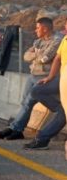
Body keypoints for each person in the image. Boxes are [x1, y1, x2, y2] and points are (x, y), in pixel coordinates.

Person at [0, 17, 62, 142]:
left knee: (29, 101)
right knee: (25, 103)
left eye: (38, 28)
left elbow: (45, 58)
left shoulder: (57, 40)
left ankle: (16, 128)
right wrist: (37, 54)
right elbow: (26, 56)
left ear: (45, 28)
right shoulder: (39, 41)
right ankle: (16, 129)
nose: (35, 30)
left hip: (46, 77)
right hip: (33, 75)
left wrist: (36, 55)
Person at [30, 19, 67, 150]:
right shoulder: (65, 40)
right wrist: (50, 77)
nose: (65, 27)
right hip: (62, 79)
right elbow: (57, 58)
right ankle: (61, 110)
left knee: (64, 113)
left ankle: (42, 139)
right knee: (37, 90)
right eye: (66, 24)